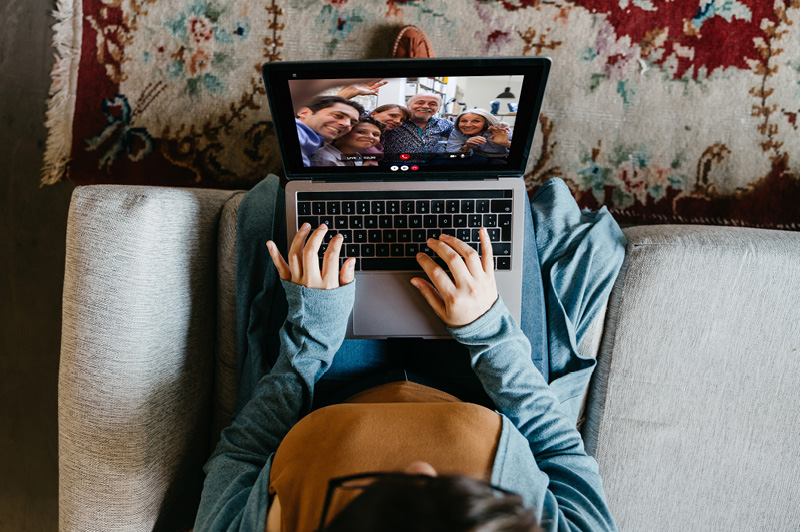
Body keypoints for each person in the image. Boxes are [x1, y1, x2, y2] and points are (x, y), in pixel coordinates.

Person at [193, 172, 625, 531]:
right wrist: (488, 328)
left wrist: (313, 333)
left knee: (328, 193)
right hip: (483, 390)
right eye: (451, 489)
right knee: (479, 194)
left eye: (377, 492)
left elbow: (242, 455)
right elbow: (559, 452)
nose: (420, 467)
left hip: (325, 385)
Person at [382, 92, 454, 163]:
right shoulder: (395, 121)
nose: (425, 106)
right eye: (420, 103)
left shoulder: (443, 123)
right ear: (408, 106)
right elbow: (372, 117)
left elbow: (461, 131)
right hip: (395, 168)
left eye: (432, 104)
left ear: (438, 109)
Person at [295, 95, 365, 166]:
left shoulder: (312, 141)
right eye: (338, 115)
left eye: (352, 123)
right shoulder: (299, 134)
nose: (347, 124)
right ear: (304, 112)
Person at [310, 117, 386, 167]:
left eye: (375, 134)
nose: (371, 137)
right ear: (340, 134)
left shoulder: (357, 156)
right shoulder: (324, 159)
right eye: (361, 132)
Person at [446, 108, 512, 164]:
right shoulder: (458, 132)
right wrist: (466, 147)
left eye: (475, 121)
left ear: (485, 124)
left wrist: (506, 144)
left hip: (503, 159)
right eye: (464, 121)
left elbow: (521, 153)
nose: (468, 125)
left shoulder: (500, 131)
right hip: (478, 160)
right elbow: (451, 154)